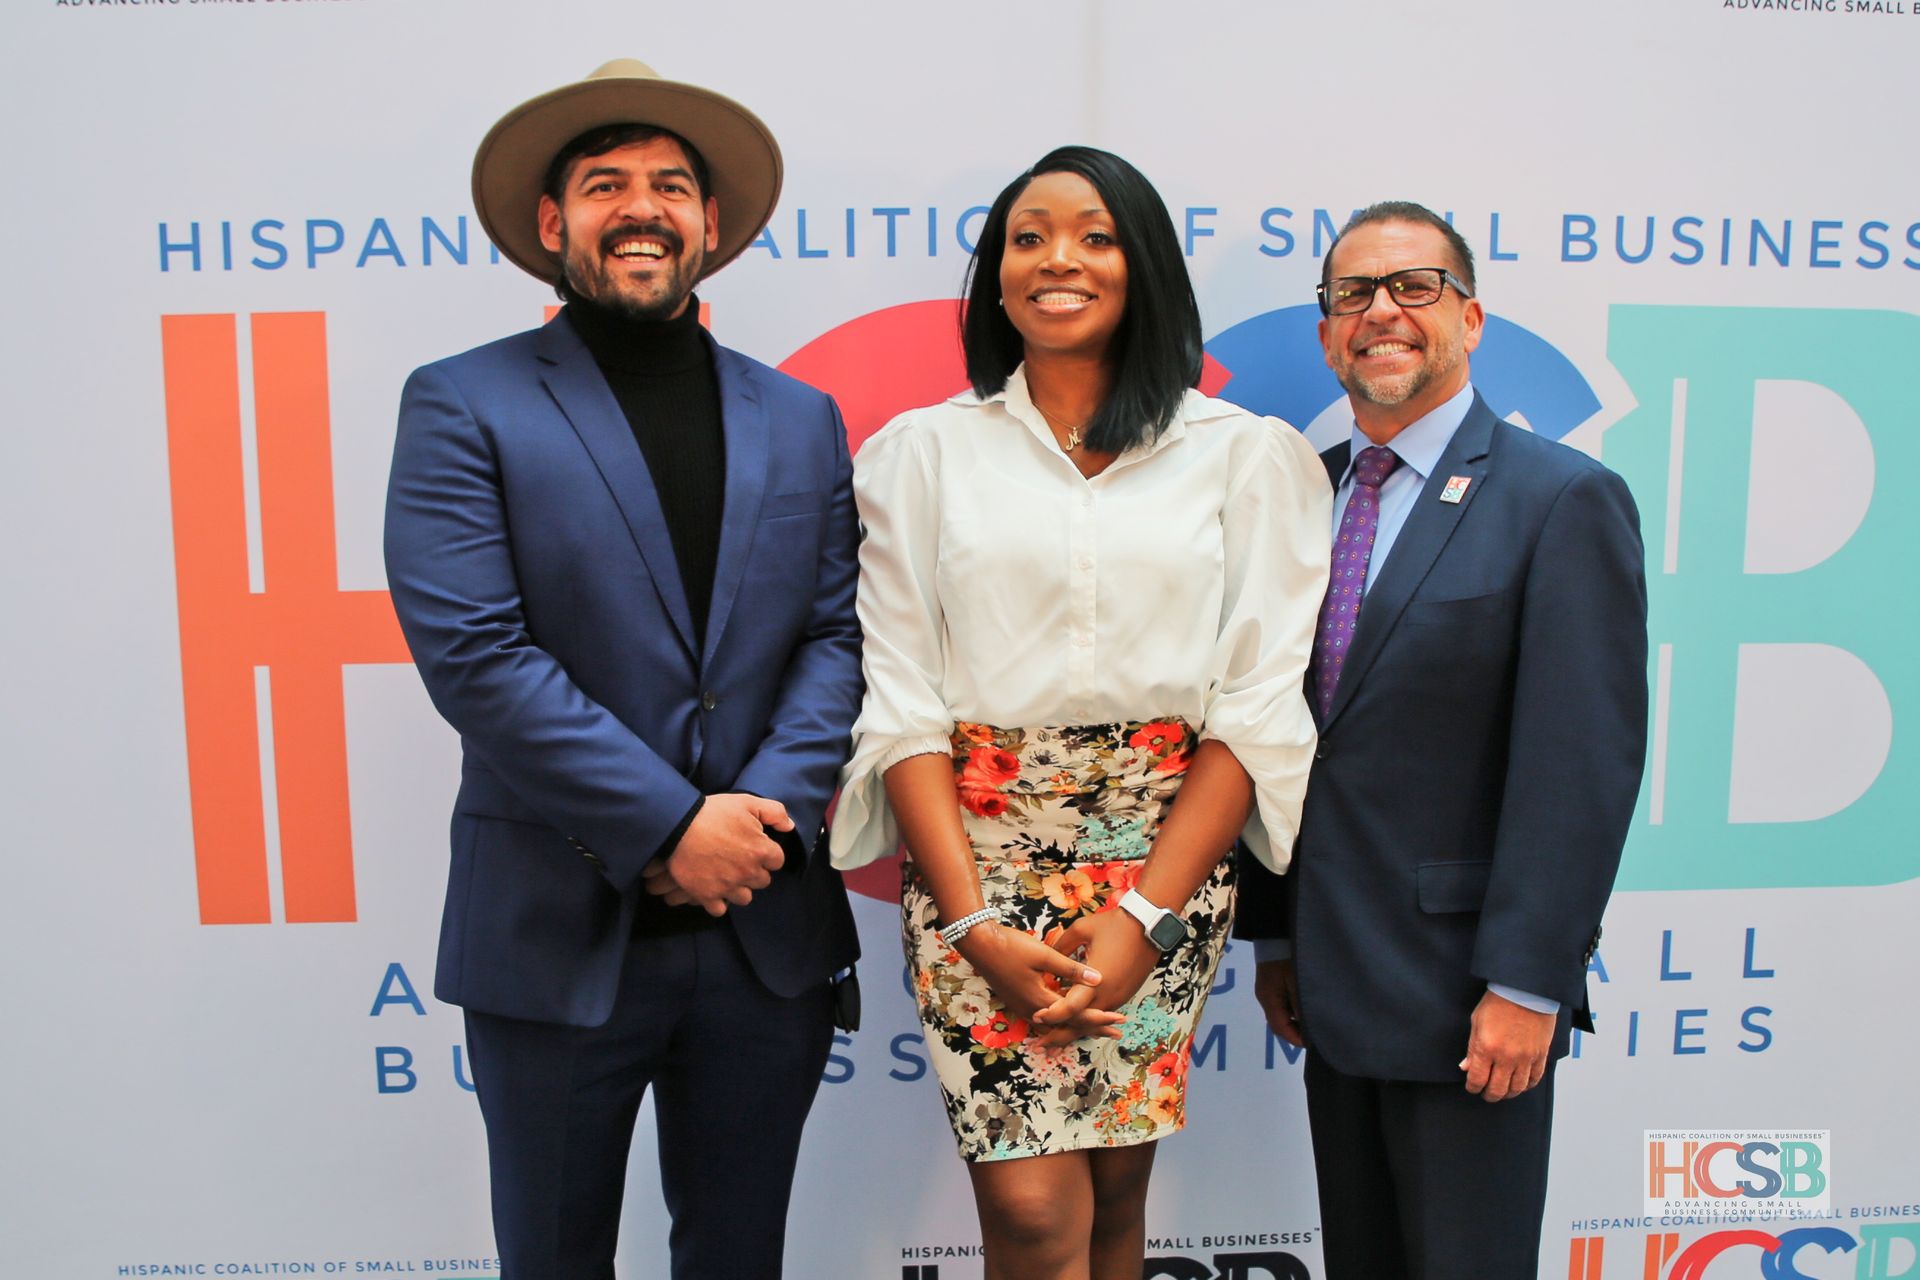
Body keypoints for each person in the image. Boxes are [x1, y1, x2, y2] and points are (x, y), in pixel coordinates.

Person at [382, 58, 861, 1280]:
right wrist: (667, 825)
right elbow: (475, 655)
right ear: (553, 226)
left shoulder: (800, 415)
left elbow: (834, 635)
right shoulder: (462, 402)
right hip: (554, 925)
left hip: (764, 925)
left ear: (711, 223)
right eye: (604, 185)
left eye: (669, 184)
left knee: (740, 1254)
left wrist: (748, 822)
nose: (639, 207)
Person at [829, 145, 1331, 1280]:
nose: (1060, 259)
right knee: (1034, 1214)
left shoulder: (1244, 458)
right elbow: (902, 701)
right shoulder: (921, 455)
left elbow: (1253, 706)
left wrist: (1143, 915)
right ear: (996, 274)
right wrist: (970, 928)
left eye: (1096, 235)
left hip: (1163, 862)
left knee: (1113, 1190)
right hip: (978, 863)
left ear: (1142, 264)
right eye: (1029, 235)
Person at [1237, 201, 1649, 1280]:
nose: (1382, 311)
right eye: (1353, 294)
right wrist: (1279, 936)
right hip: (1332, 979)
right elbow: (1285, 733)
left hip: (1471, 994)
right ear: (1327, 334)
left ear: (1470, 316)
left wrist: (1528, 983)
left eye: (1413, 286)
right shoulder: (1301, 499)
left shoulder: (1561, 498)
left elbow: (1581, 765)